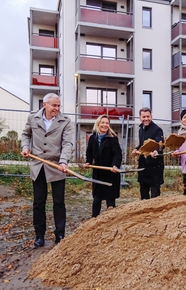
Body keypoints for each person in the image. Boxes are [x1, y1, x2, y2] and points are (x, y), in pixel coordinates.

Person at [21, 93, 73, 247]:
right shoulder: (33, 118)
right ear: (44, 105)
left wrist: (64, 161)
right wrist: (25, 147)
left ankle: (60, 234)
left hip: (57, 166)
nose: (57, 108)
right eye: (54, 105)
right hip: (38, 166)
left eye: (59, 105)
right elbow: (26, 134)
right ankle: (39, 235)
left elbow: (67, 143)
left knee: (59, 202)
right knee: (38, 203)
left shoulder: (65, 121)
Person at [85, 115, 122, 217]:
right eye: (103, 122)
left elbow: (117, 154)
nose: (105, 125)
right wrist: (88, 162)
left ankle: (111, 222)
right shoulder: (93, 138)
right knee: (97, 199)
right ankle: (94, 220)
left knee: (110, 200)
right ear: (98, 124)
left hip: (110, 173)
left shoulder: (112, 139)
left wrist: (115, 165)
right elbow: (89, 152)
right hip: (98, 173)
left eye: (107, 123)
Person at [131, 107, 164, 199]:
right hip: (143, 166)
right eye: (143, 117)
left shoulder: (157, 129)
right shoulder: (141, 129)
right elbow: (142, 145)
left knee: (155, 195)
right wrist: (136, 149)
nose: (146, 119)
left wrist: (156, 151)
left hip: (154, 166)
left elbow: (160, 143)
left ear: (151, 116)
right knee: (144, 193)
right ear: (140, 118)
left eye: (148, 116)